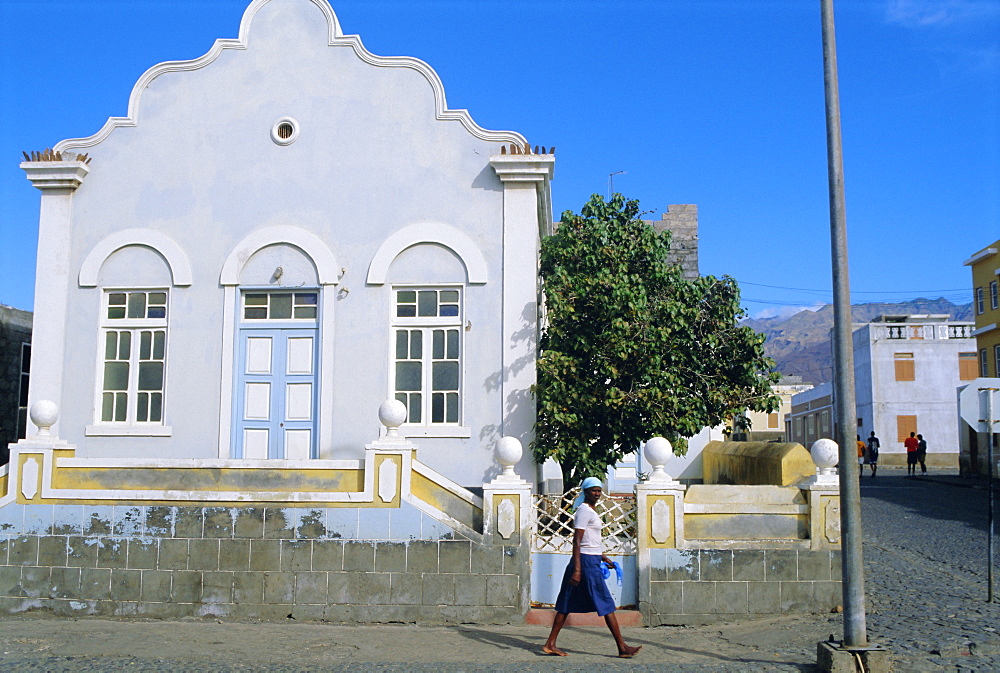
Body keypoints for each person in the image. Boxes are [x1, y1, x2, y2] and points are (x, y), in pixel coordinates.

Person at [542, 477, 641, 658]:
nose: (597, 493)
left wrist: (604, 558)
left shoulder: (591, 511)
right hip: (585, 564)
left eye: (599, 490)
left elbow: (591, 541)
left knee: (566, 603)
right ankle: (622, 648)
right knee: (606, 603)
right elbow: (577, 541)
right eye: (593, 490)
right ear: (585, 491)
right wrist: (578, 569)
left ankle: (550, 644)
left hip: (590, 560)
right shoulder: (584, 511)